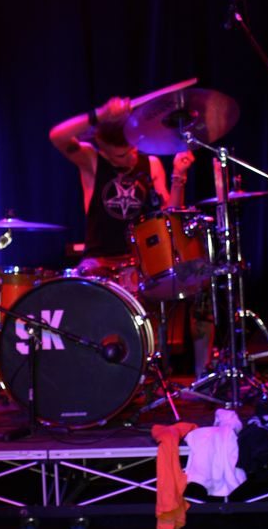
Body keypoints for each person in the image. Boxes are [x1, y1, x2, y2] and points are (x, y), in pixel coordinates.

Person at [49, 94, 213, 377]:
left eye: (133, 150)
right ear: (103, 151)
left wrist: (178, 177)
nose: (130, 157)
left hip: (142, 266)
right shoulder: (91, 161)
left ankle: (203, 376)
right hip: (100, 263)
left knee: (201, 286)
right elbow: (57, 136)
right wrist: (101, 113)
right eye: (121, 155)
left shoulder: (150, 164)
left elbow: (169, 217)